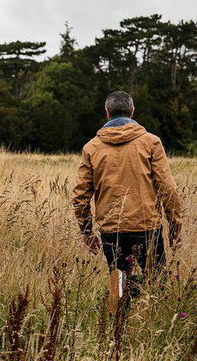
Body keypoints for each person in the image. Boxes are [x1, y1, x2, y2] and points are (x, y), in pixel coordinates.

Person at [72, 90, 183, 294]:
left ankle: (119, 322)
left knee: (119, 288)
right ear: (132, 111)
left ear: (107, 113)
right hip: (147, 225)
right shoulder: (151, 142)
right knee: (157, 286)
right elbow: (167, 188)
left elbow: (80, 196)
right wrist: (175, 226)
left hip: (111, 229)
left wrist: (87, 231)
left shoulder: (91, 148)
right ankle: (150, 319)